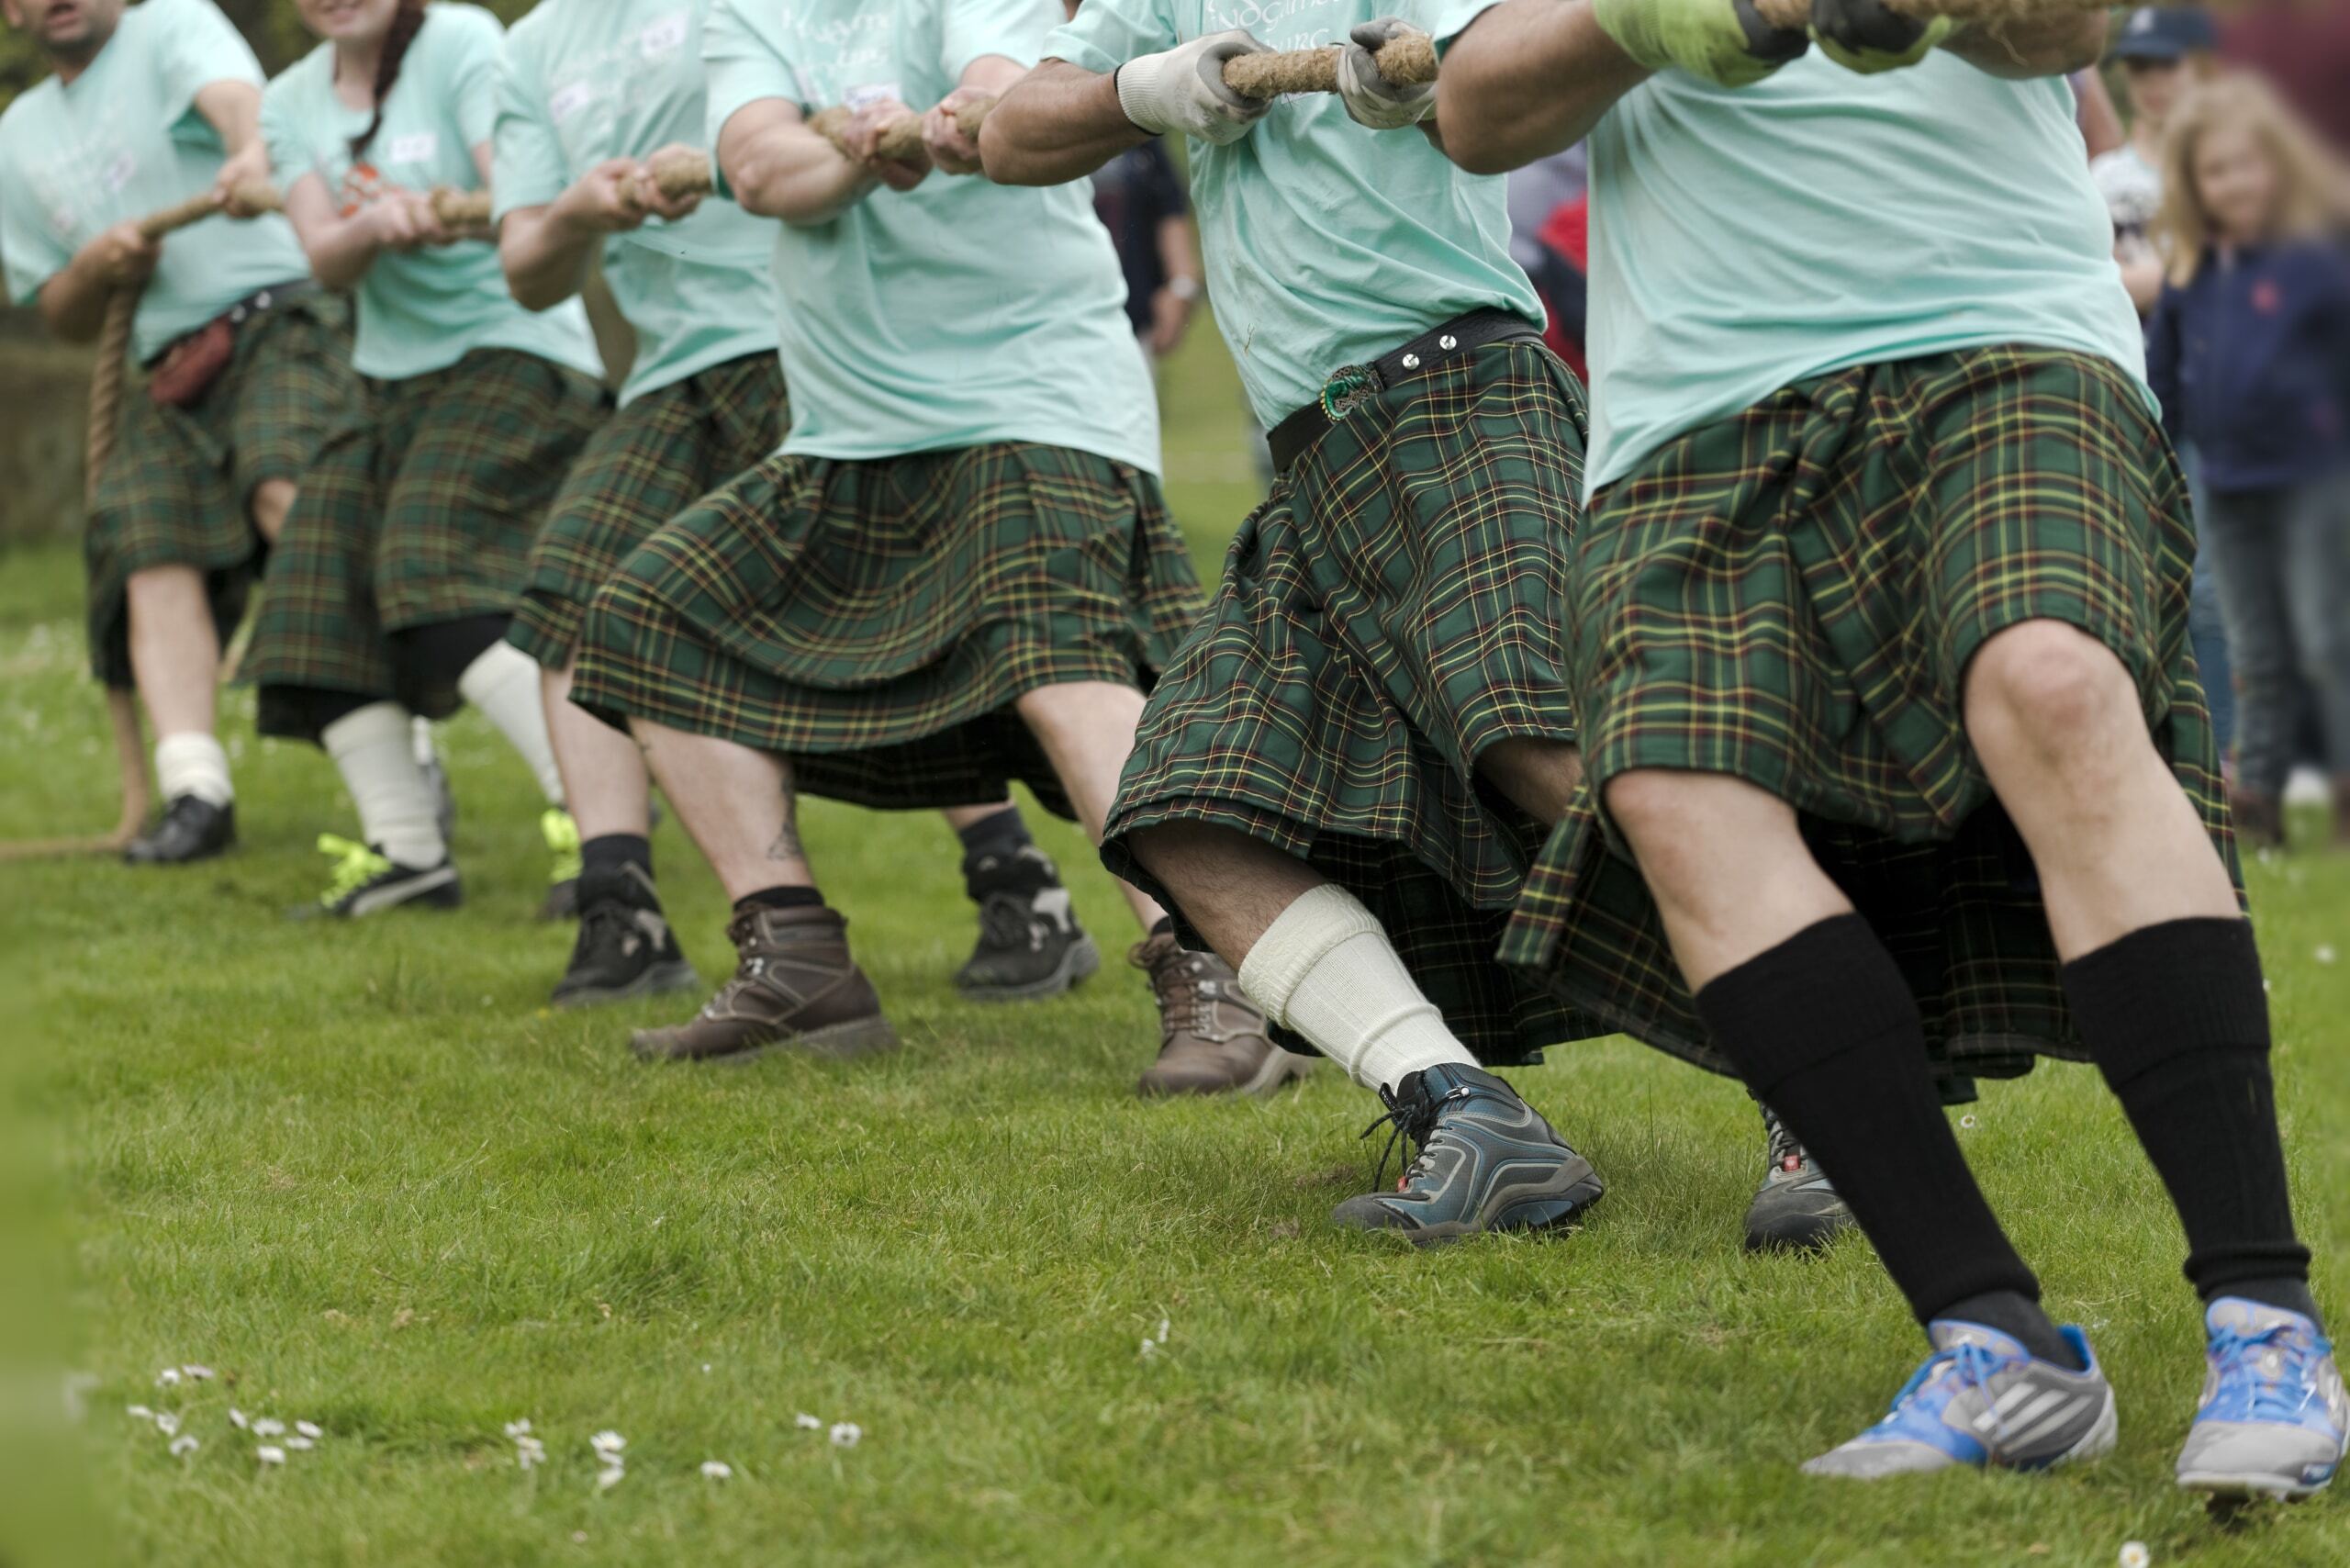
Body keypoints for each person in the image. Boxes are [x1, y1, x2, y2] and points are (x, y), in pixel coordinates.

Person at [1439, 0, 2344, 1495]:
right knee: (1673, 789)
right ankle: (1993, 1339)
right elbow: (1478, 109)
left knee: (2050, 683)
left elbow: (2064, 29)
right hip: (1694, 396)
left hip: (1999, 331)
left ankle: (2268, 1317)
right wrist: (1683, 13)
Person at [983, 5, 1625, 1243]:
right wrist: (1147, 88)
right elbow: (1015, 128)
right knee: (1179, 810)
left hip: (1459, 394)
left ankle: (1818, 1076)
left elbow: (1501, 75)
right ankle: (1465, 1115)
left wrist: (1427, 92)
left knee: (1536, 747)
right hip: (1316, 459)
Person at [567, 0, 1288, 1090]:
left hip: (1031, 393)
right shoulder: (748, 13)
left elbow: (1000, 88)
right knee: (650, 619)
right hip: (850, 424)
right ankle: (795, 953)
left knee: (1060, 662)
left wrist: (970, 117)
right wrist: (860, 150)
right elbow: (760, 167)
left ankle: (1218, 977)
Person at [493, 0, 1099, 1010]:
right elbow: (525, 266)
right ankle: (623, 910)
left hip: (799, 332)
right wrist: (575, 216)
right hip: (670, 368)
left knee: (880, 605)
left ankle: (1016, 881)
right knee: (576, 590)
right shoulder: (530, 50)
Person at [246, 0, 608, 917]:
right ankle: (409, 856)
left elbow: (520, 203)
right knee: (310, 587)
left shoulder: (462, 44)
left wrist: (451, 215)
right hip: (390, 382)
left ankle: (597, 827)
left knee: (428, 560)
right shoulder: (288, 102)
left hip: (517, 352)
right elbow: (326, 258)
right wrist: (373, 227)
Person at [0, 0, 361, 865]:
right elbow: (62, 311)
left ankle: (400, 753)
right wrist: (94, 265)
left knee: (287, 488)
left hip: (281, 317)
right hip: (169, 365)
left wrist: (246, 156)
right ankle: (196, 794)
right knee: (142, 540)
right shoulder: (16, 136)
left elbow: (240, 105)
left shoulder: (170, 26)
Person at [2148, 75, 2350, 850]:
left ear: (2280, 165)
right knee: (2253, 645)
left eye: (2249, 164)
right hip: (2227, 483)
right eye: (2217, 169)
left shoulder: (2312, 264)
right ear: (2193, 183)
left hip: (2313, 481)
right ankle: (2258, 797)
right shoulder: (2189, 274)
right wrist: (2151, 452)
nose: (2237, 183)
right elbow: (2161, 379)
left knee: (2327, 639)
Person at [2094, 6, 2219, 315]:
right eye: (2138, 66)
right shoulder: (2100, 176)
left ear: (2203, 66)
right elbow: (2088, 287)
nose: (2151, 80)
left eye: (2166, 64)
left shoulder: (2229, 173)